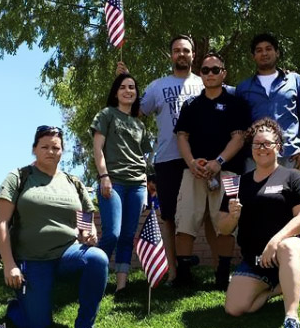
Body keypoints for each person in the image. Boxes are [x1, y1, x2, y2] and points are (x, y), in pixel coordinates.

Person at [0, 125, 109, 328]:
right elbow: (1, 222)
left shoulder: (72, 182)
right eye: (44, 147)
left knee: (98, 259)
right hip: (32, 259)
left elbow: (86, 219)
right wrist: (9, 264)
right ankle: (16, 306)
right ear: (34, 149)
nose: (50, 151)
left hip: (68, 253)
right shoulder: (19, 177)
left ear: (62, 151)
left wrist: (89, 232)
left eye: (56, 147)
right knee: (37, 326)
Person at [116, 35, 219, 285]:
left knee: (209, 215)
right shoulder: (157, 86)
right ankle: (174, 272)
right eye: (176, 50)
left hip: (202, 159)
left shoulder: (205, 82)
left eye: (185, 50)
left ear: (193, 55)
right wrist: (125, 82)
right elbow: (136, 112)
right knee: (170, 217)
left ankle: (220, 271)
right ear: (171, 55)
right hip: (168, 159)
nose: (181, 54)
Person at [218, 118, 300, 328]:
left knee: (287, 246)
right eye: (257, 144)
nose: (261, 148)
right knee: (235, 308)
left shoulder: (293, 177)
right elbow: (222, 228)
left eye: (267, 144)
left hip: (292, 248)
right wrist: (232, 216)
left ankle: (292, 320)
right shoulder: (239, 184)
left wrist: (275, 241)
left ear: (278, 147)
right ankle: (282, 287)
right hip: (256, 260)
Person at [174, 52, 251, 290]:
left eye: (215, 70)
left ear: (223, 73)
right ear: (201, 74)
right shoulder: (191, 105)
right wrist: (191, 162)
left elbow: (239, 138)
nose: (210, 74)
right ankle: (184, 276)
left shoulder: (236, 103)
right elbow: (182, 136)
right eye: (205, 70)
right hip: (194, 172)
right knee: (185, 221)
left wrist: (218, 162)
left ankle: (222, 275)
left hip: (228, 172)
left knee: (226, 223)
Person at [91, 73, 153, 296]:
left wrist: (147, 182)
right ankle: (92, 277)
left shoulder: (139, 124)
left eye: (132, 87)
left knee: (127, 236)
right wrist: (104, 176)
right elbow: (97, 149)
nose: (128, 91)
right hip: (113, 182)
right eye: (123, 87)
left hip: (138, 185)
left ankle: (121, 287)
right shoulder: (106, 114)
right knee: (112, 234)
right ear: (116, 92)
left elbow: (145, 156)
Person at [235, 33, 300, 172]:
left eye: (268, 49)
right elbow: (239, 127)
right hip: (255, 158)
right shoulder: (243, 88)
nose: (264, 53)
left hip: (290, 156)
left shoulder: (295, 81)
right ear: (253, 56)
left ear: (277, 52)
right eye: (259, 50)